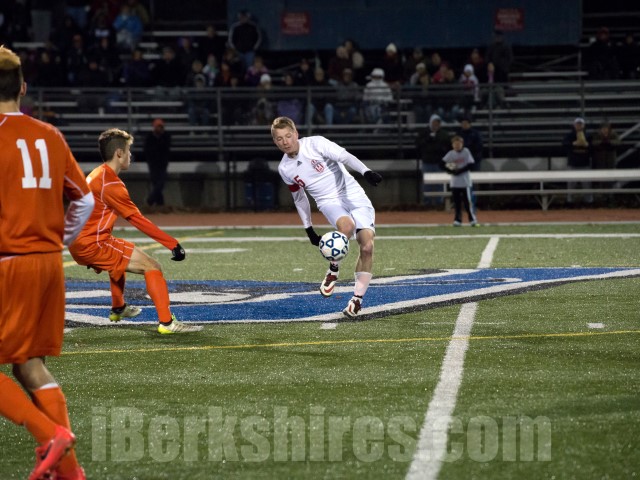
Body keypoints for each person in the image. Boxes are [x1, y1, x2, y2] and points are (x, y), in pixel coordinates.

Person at [0, 45, 94, 480]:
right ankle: (70, 472)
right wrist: (59, 240)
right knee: (29, 365)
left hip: (9, 263)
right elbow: (84, 199)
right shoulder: (50, 134)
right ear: (23, 87)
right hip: (48, 264)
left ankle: (48, 434)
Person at [69, 128, 202, 334]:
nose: (131, 155)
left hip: (83, 240)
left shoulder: (97, 173)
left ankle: (118, 307)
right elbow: (137, 220)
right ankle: (167, 323)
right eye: (128, 150)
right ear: (119, 153)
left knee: (121, 257)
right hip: (92, 243)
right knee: (152, 266)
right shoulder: (111, 183)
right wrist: (172, 244)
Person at [271, 116, 383, 317]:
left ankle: (356, 300)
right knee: (347, 227)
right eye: (279, 139)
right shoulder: (285, 168)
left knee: (367, 246)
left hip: (353, 194)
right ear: (275, 141)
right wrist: (308, 228)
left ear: (296, 134)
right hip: (328, 201)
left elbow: (344, 156)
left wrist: (365, 171)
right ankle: (334, 268)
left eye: (288, 136)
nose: (285, 142)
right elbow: (299, 198)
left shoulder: (316, 143)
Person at [442, 135, 478, 227]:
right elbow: (442, 164)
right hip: (455, 183)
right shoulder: (451, 154)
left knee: (468, 202)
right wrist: (452, 170)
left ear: (462, 144)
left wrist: (460, 170)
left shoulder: (466, 152)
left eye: (459, 144)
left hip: (465, 182)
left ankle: (472, 219)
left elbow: (471, 164)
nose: (457, 146)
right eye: (455, 144)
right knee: (457, 203)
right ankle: (457, 220)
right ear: (452, 145)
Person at [416, 114, 451, 205]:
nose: (436, 125)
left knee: (440, 183)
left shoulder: (444, 134)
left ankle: (439, 202)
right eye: (434, 123)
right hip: (427, 162)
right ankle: (427, 202)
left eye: (437, 123)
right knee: (427, 184)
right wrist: (428, 139)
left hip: (439, 163)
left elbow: (448, 147)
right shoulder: (424, 133)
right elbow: (418, 145)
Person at [562, 117, 593, 205]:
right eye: (577, 124)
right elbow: (564, 144)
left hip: (585, 164)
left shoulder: (588, 136)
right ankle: (570, 201)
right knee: (571, 185)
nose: (579, 126)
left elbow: (593, 148)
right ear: (574, 125)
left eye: (580, 124)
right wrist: (573, 143)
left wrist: (587, 145)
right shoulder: (570, 136)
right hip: (573, 164)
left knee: (587, 185)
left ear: (583, 125)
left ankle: (589, 201)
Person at [144, 118, 172, 206]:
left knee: (161, 183)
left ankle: (151, 200)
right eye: (158, 127)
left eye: (161, 127)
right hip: (153, 163)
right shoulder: (149, 137)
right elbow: (147, 150)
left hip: (162, 163)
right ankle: (160, 204)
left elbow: (166, 149)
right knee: (156, 182)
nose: (160, 128)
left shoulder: (166, 136)